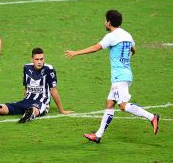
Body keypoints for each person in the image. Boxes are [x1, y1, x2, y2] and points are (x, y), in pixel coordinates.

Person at [64, 10, 159, 143]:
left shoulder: (112, 36)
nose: (104, 22)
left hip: (119, 77)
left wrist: (76, 52)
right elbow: (134, 49)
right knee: (109, 104)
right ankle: (98, 135)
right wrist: (127, 56)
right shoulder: (127, 34)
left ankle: (152, 117)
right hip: (127, 74)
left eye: (105, 20)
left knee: (123, 105)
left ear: (109, 22)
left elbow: (95, 48)